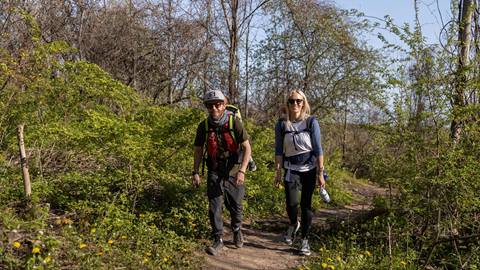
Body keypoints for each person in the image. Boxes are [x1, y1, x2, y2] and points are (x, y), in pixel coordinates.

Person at [192, 90, 252, 256]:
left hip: (234, 169)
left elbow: (247, 148)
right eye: (210, 105)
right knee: (215, 206)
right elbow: (198, 150)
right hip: (214, 168)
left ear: (224, 105)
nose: (214, 108)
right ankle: (218, 238)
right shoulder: (203, 126)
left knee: (235, 205)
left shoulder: (235, 123)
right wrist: (195, 171)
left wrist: (242, 171)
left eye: (218, 104)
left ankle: (237, 228)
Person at [274, 89, 325, 256]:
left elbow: (318, 149)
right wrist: (278, 172)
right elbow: (279, 150)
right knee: (291, 204)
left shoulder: (311, 122)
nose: (295, 104)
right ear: (287, 104)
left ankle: (305, 240)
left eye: (298, 101)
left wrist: (320, 173)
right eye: (291, 101)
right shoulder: (282, 124)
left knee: (306, 205)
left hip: (309, 169)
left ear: (304, 103)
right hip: (290, 168)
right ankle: (293, 223)